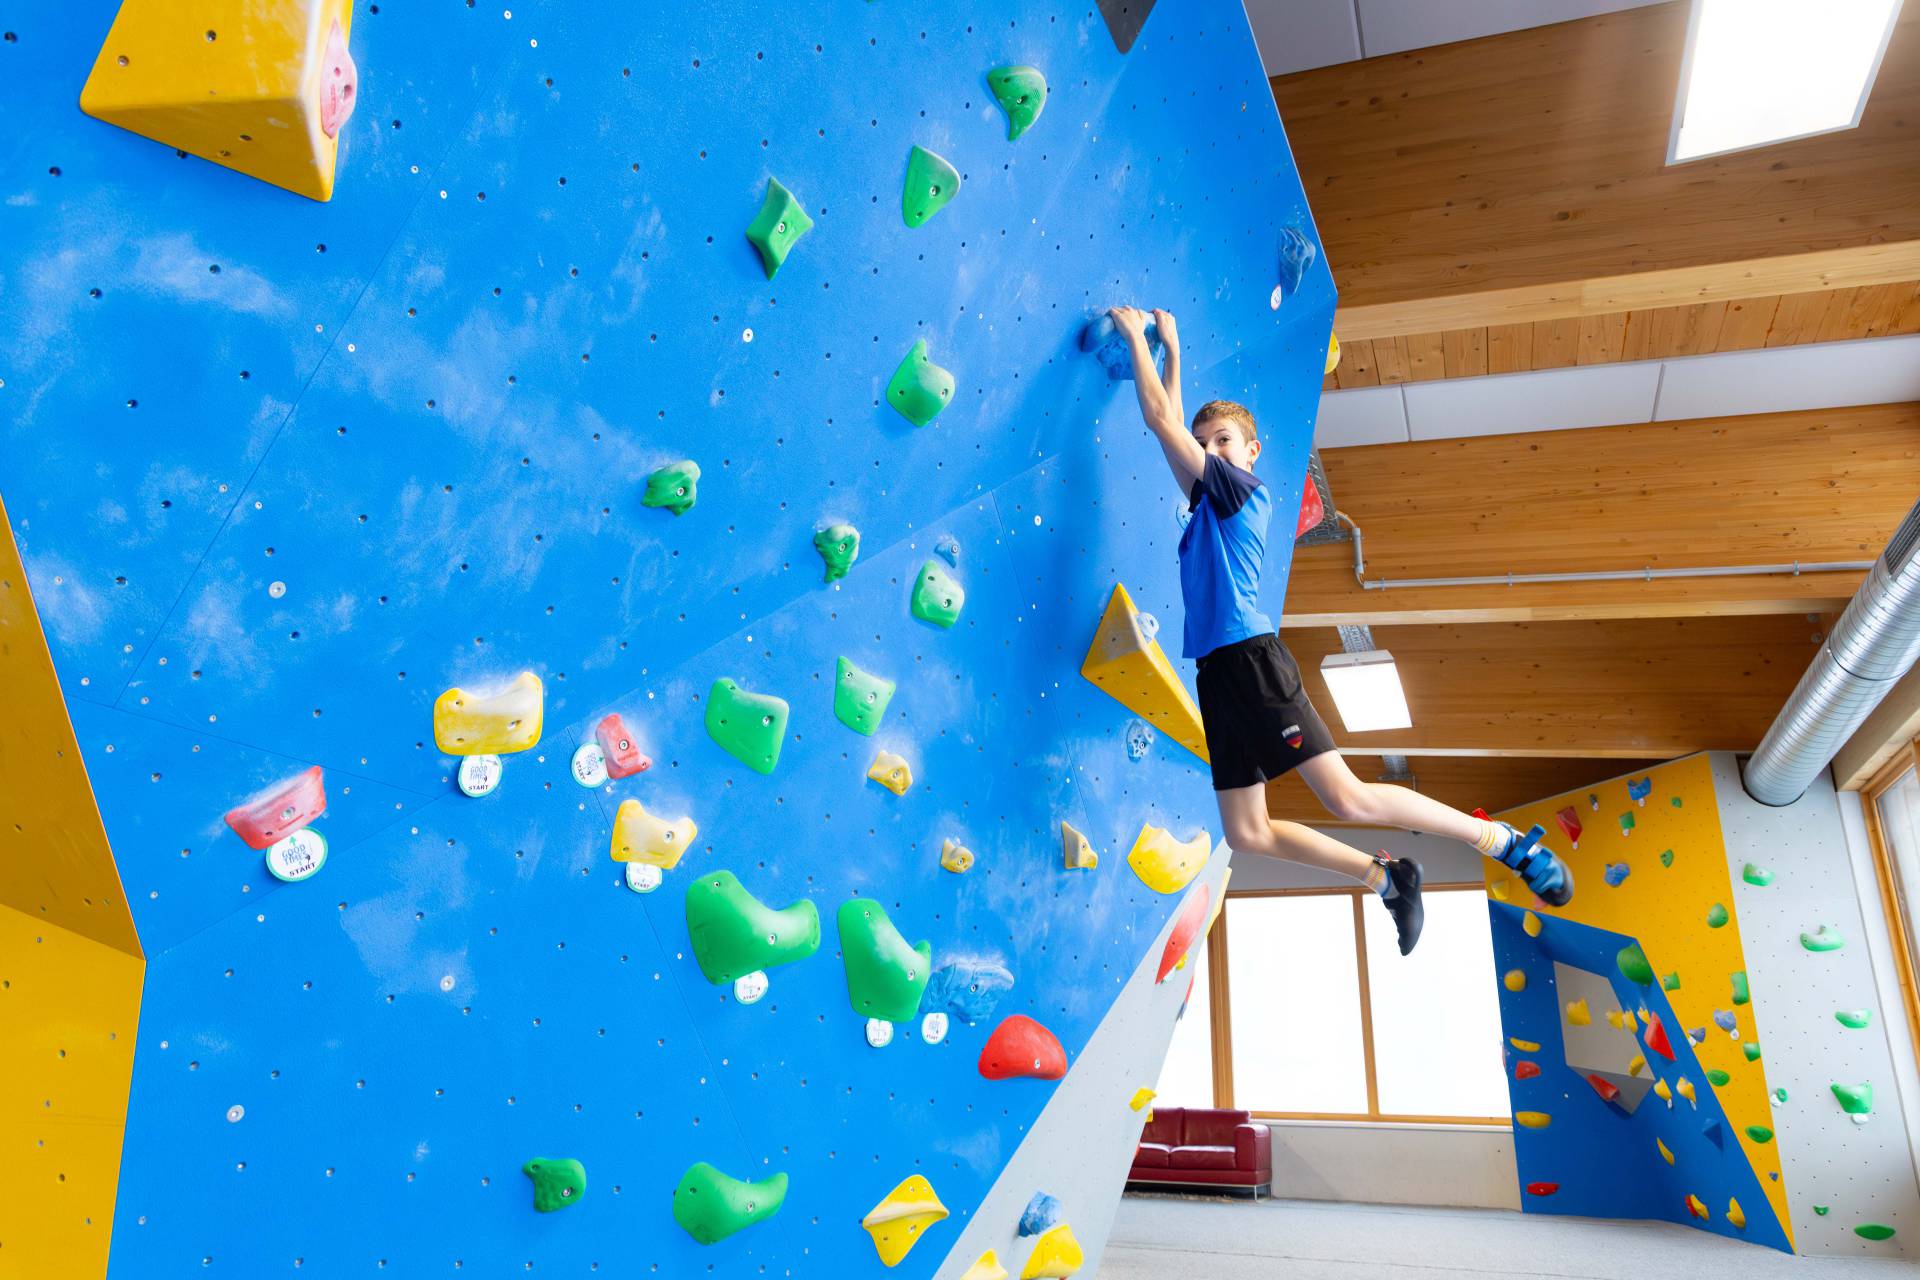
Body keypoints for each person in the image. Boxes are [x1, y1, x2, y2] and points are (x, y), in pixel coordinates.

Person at [1106, 305, 1574, 955]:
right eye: (1205, 440)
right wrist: (1174, 352)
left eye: (1223, 440)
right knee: (1247, 834)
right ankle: (1386, 879)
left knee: (1347, 799)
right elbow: (1171, 429)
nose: (1210, 448)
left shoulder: (1243, 494)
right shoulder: (1207, 505)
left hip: (1250, 661)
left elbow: (1160, 420)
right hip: (1216, 674)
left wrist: (1135, 337)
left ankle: (1503, 842)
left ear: (1251, 452)